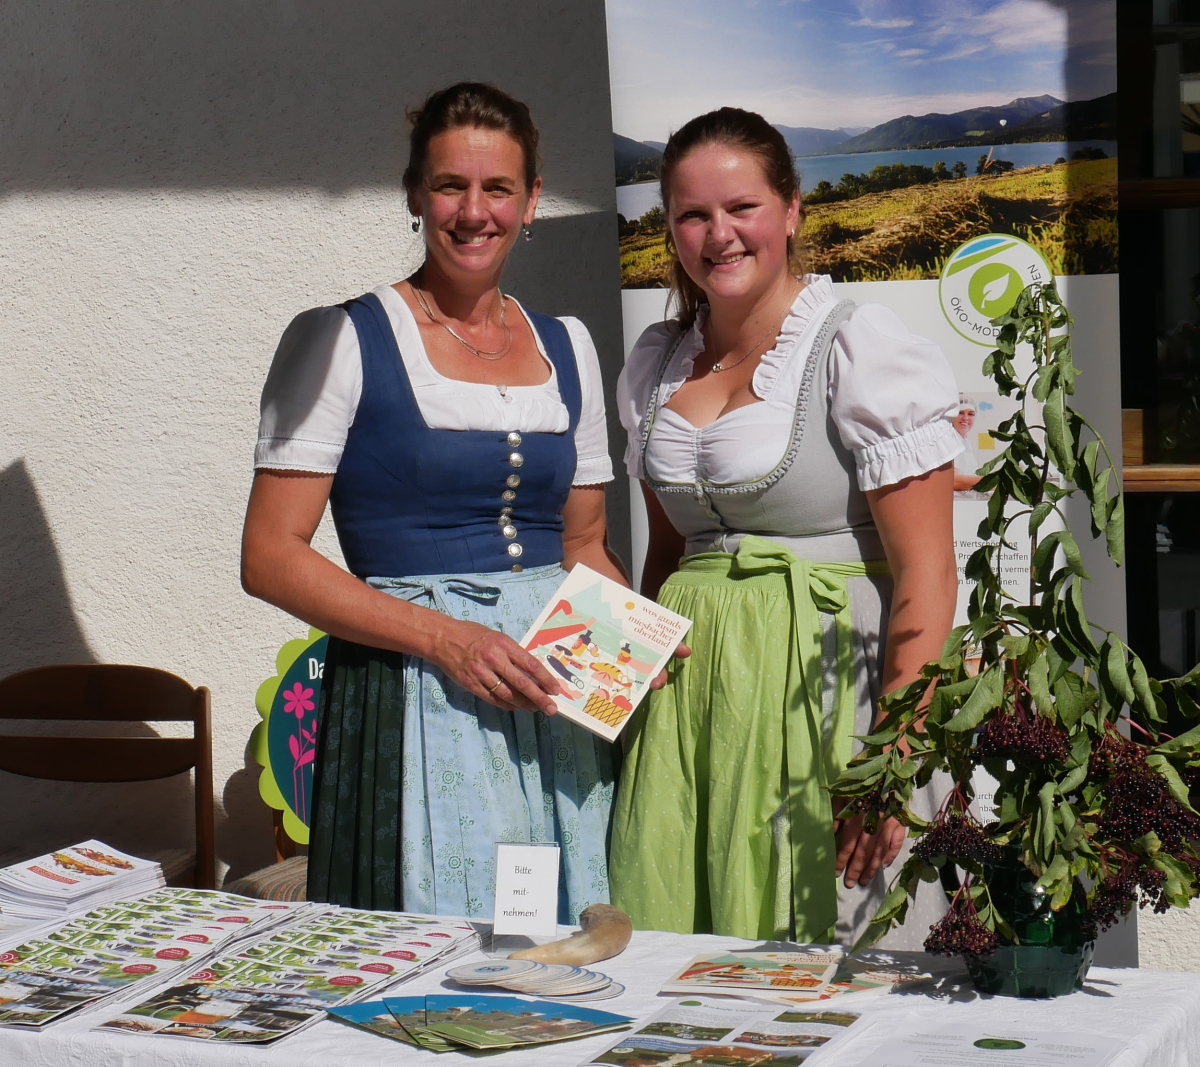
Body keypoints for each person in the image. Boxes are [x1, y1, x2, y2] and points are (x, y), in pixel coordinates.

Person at [241, 83, 625, 923]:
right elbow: (270, 554)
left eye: (498, 189)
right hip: (415, 689)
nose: (473, 211)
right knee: (443, 943)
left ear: (530, 201)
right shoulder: (337, 337)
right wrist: (448, 639)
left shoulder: (570, 347)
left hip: (551, 696)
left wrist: (632, 651)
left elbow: (584, 547)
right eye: (451, 185)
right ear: (415, 194)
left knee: (570, 940)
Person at [609, 107, 961, 945]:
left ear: (793, 209)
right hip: (694, 709)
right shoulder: (656, 361)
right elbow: (666, 556)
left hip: (828, 688)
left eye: (742, 208)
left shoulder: (856, 346)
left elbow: (928, 574)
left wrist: (891, 764)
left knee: (835, 945)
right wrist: (620, 674)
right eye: (692, 215)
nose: (718, 235)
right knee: (681, 948)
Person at [953, 395, 984, 495]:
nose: (965, 418)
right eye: (960, 413)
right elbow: (952, 481)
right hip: (956, 502)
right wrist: (992, 481)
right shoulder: (950, 440)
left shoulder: (965, 442)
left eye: (970, 414)